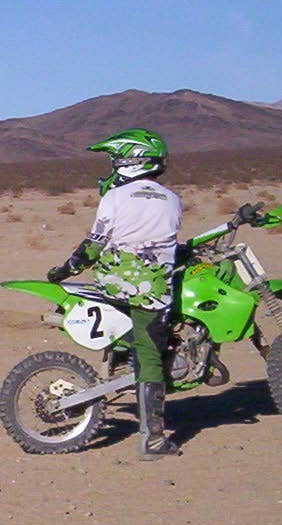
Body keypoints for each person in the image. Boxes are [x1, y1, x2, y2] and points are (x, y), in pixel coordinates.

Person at [46, 127, 184, 460]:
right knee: (151, 354)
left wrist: (64, 270)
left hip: (113, 282)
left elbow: (94, 246)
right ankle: (152, 441)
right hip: (152, 287)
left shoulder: (115, 198)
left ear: (130, 161)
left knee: (134, 330)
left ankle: (123, 359)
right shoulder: (172, 199)